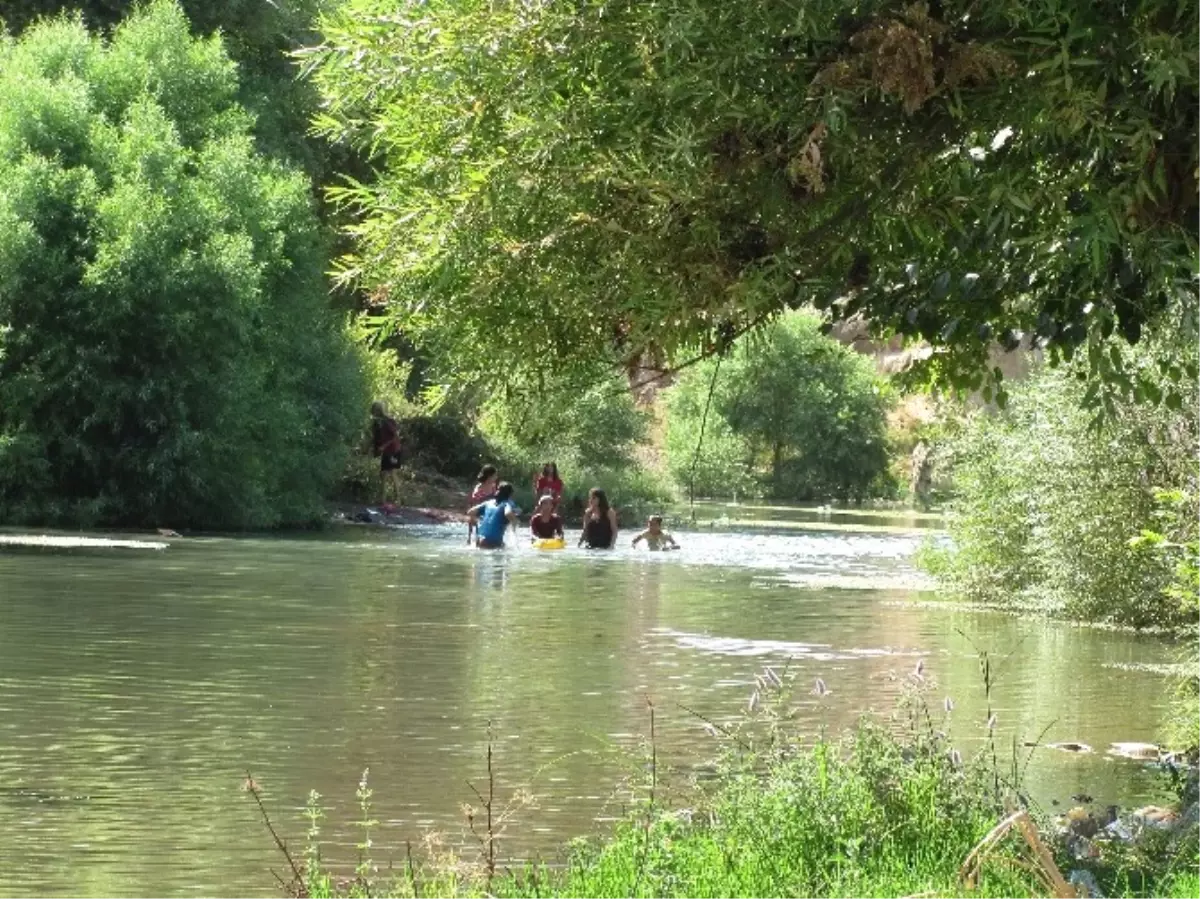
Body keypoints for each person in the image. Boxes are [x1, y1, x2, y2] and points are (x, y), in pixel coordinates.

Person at [369, 401, 403, 504]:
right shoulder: (377, 423)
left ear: (378, 410)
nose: (373, 413)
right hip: (386, 451)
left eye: (374, 410)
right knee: (383, 474)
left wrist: (384, 446)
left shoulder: (388, 421)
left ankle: (398, 498)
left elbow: (395, 436)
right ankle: (383, 499)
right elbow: (376, 438)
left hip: (393, 450)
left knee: (392, 472)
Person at [468, 482, 520, 549]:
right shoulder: (507, 503)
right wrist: (515, 523)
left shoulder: (489, 503)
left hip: (479, 541)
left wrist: (478, 522)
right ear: (510, 495)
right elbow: (508, 513)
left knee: (504, 545)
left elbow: (470, 512)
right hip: (492, 542)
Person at [467, 465, 500, 543]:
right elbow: (474, 507)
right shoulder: (478, 489)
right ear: (489, 476)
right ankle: (471, 540)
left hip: (488, 512)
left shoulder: (493, 487)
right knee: (477, 535)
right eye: (495, 475)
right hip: (478, 513)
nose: (496, 477)